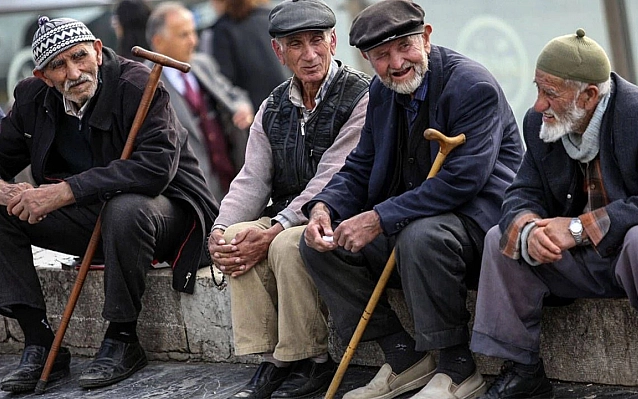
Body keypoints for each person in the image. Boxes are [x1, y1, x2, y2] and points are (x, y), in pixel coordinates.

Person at [299, 1, 523, 398]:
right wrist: (324, 207)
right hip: (412, 221)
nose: (396, 63)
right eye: (381, 56)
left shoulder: (472, 86)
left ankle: (456, 367)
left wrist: (379, 218)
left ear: (427, 36)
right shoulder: (381, 93)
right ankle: (403, 356)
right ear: (367, 58)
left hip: (477, 224)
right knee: (320, 246)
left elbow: (462, 182)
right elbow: (359, 166)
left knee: (420, 235)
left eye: (405, 47)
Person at [471, 29, 638, 399]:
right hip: (586, 261)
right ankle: (522, 370)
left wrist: (579, 228)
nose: (537, 105)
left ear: (589, 95)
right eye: (537, 89)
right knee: (501, 237)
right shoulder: (540, 124)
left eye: (550, 93)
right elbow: (522, 191)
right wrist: (531, 228)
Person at [0, 16, 218, 393]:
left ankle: (122, 338)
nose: (73, 72)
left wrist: (64, 191)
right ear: (42, 76)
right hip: (91, 217)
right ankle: (39, 340)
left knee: (125, 207)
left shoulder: (138, 85)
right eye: (58, 65)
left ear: (98, 51)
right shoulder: (32, 99)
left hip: (165, 214)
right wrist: (4, 191)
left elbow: (155, 169)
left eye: (80, 57)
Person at [207, 0, 370, 397]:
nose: (309, 54)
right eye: (295, 44)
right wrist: (220, 227)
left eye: (317, 41)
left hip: (339, 215)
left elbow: (333, 176)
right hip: (286, 212)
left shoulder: (361, 96)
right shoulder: (272, 106)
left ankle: (312, 358)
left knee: (283, 243)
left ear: (334, 42)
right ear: (279, 52)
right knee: (236, 239)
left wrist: (280, 224)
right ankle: (273, 358)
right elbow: (251, 180)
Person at [147, 1, 255, 201]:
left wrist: (242, 108)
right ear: (158, 41)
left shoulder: (202, 64)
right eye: (184, 35)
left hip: (233, 181)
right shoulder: (145, 81)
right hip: (193, 192)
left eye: (193, 32)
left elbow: (235, 95)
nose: (193, 41)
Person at [203, 0, 289, 111]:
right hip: (290, 98)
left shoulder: (222, 30)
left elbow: (225, 79)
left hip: (259, 111)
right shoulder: (270, 16)